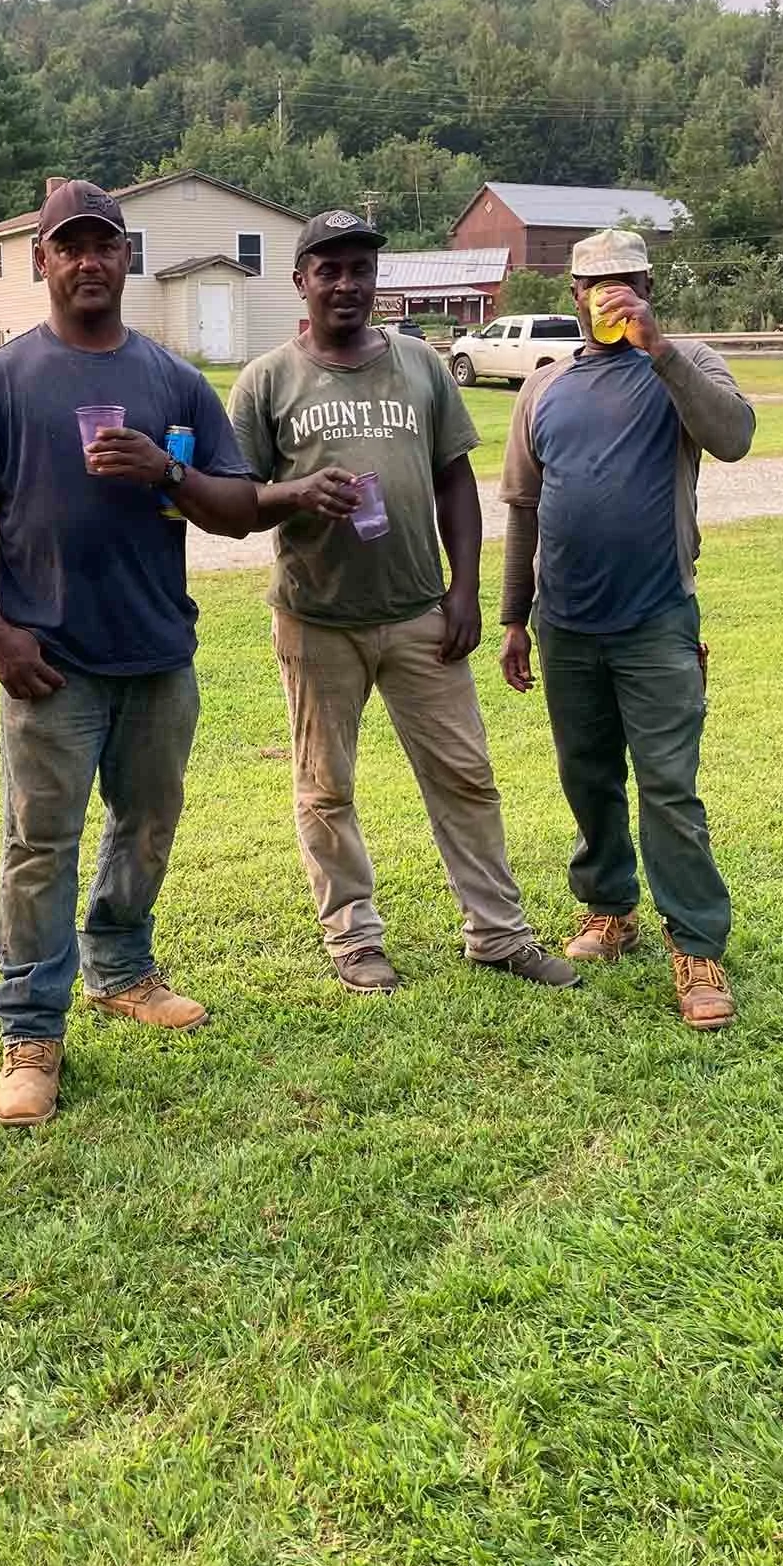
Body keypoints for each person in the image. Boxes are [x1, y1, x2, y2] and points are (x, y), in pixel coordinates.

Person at [0, 180, 257, 1128]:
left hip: (157, 651)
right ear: (41, 260)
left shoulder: (172, 378)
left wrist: (165, 467)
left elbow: (237, 512)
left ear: (128, 258)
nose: (86, 261)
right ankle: (29, 1030)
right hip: (49, 659)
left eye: (103, 245)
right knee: (39, 846)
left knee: (148, 822)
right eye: (67, 246)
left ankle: (120, 967)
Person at [227, 209, 576, 994]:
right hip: (315, 617)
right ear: (301, 282)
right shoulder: (268, 381)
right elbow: (234, 499)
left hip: (421, 609)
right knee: (325, 786)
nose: (347, 283)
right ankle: (353, 938)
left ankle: (498, 933)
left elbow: (456, 478)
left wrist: (465, 590)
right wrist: (295, 493)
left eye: (361, 268)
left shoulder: (420, 365)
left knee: (465, 774)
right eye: (330, 269)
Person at [496, 227, 756, 1030]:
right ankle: (609, 907)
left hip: (656, 621)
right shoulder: (545, 387)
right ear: (573, 296)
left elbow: (735, 436)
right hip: (566, 624)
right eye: (598, 285)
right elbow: (523, 509)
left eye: (630, 282)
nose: (614, 296)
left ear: (649, 286)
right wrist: (513, 619)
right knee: (589, 777)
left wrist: (661, 350)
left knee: (670, 789)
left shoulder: (686, 363)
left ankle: (697, 945)